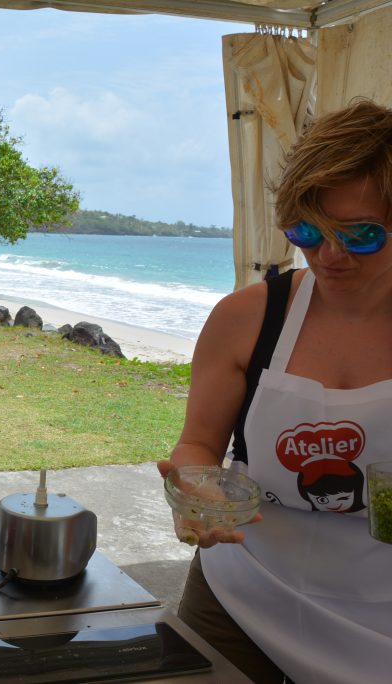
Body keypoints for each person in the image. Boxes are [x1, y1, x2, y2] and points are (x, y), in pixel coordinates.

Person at [160, 99, 392, 684]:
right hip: (240, 593)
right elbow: (197, 447)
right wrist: (195, 489)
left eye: (361, 235)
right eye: (307, 231)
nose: (330, 256)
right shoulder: (246, 319)